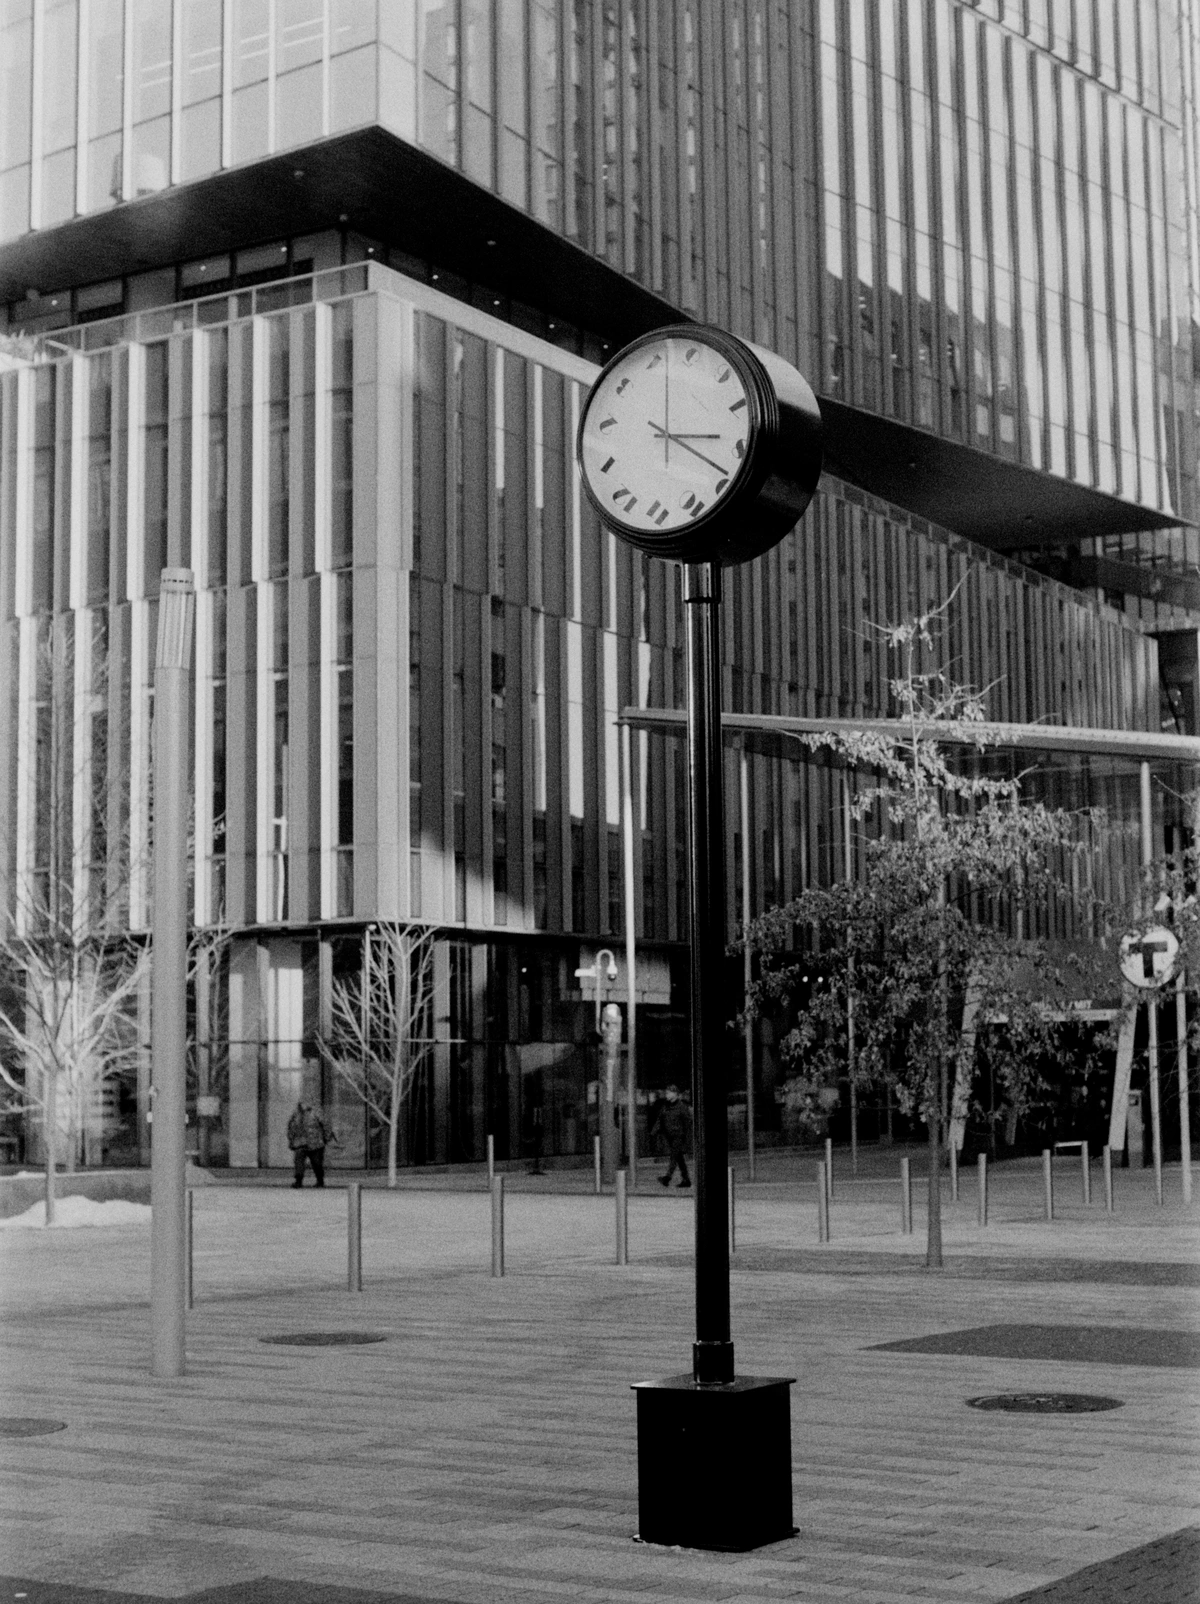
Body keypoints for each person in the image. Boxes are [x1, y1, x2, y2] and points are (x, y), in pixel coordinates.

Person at [287, 1100, 335, 1188]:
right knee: (299, 1163)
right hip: (300, 1143)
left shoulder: (316, 1112)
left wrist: (326, 1138)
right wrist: (291, 1140)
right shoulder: (295, 1114)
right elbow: (291, 1127)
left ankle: (320, 1181)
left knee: (317, 1163)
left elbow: (326, 1125)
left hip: (315, 1143)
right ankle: (298, 1181)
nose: (303, 1105)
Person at [652, 1085, 692, 1188]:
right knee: (679, 1158)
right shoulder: (666, 1106)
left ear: (675, 1094)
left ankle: (667, 1178)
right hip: (669, 1136)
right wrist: (654, 1131)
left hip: (678, 1136)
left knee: (674, 1157)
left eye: (669, 1093)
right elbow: (660, 1119)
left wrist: (687, 1139)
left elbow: (687, 1123)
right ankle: (686, 1179)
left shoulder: (682, 1107)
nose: (667, 1095)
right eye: (666, 1093)